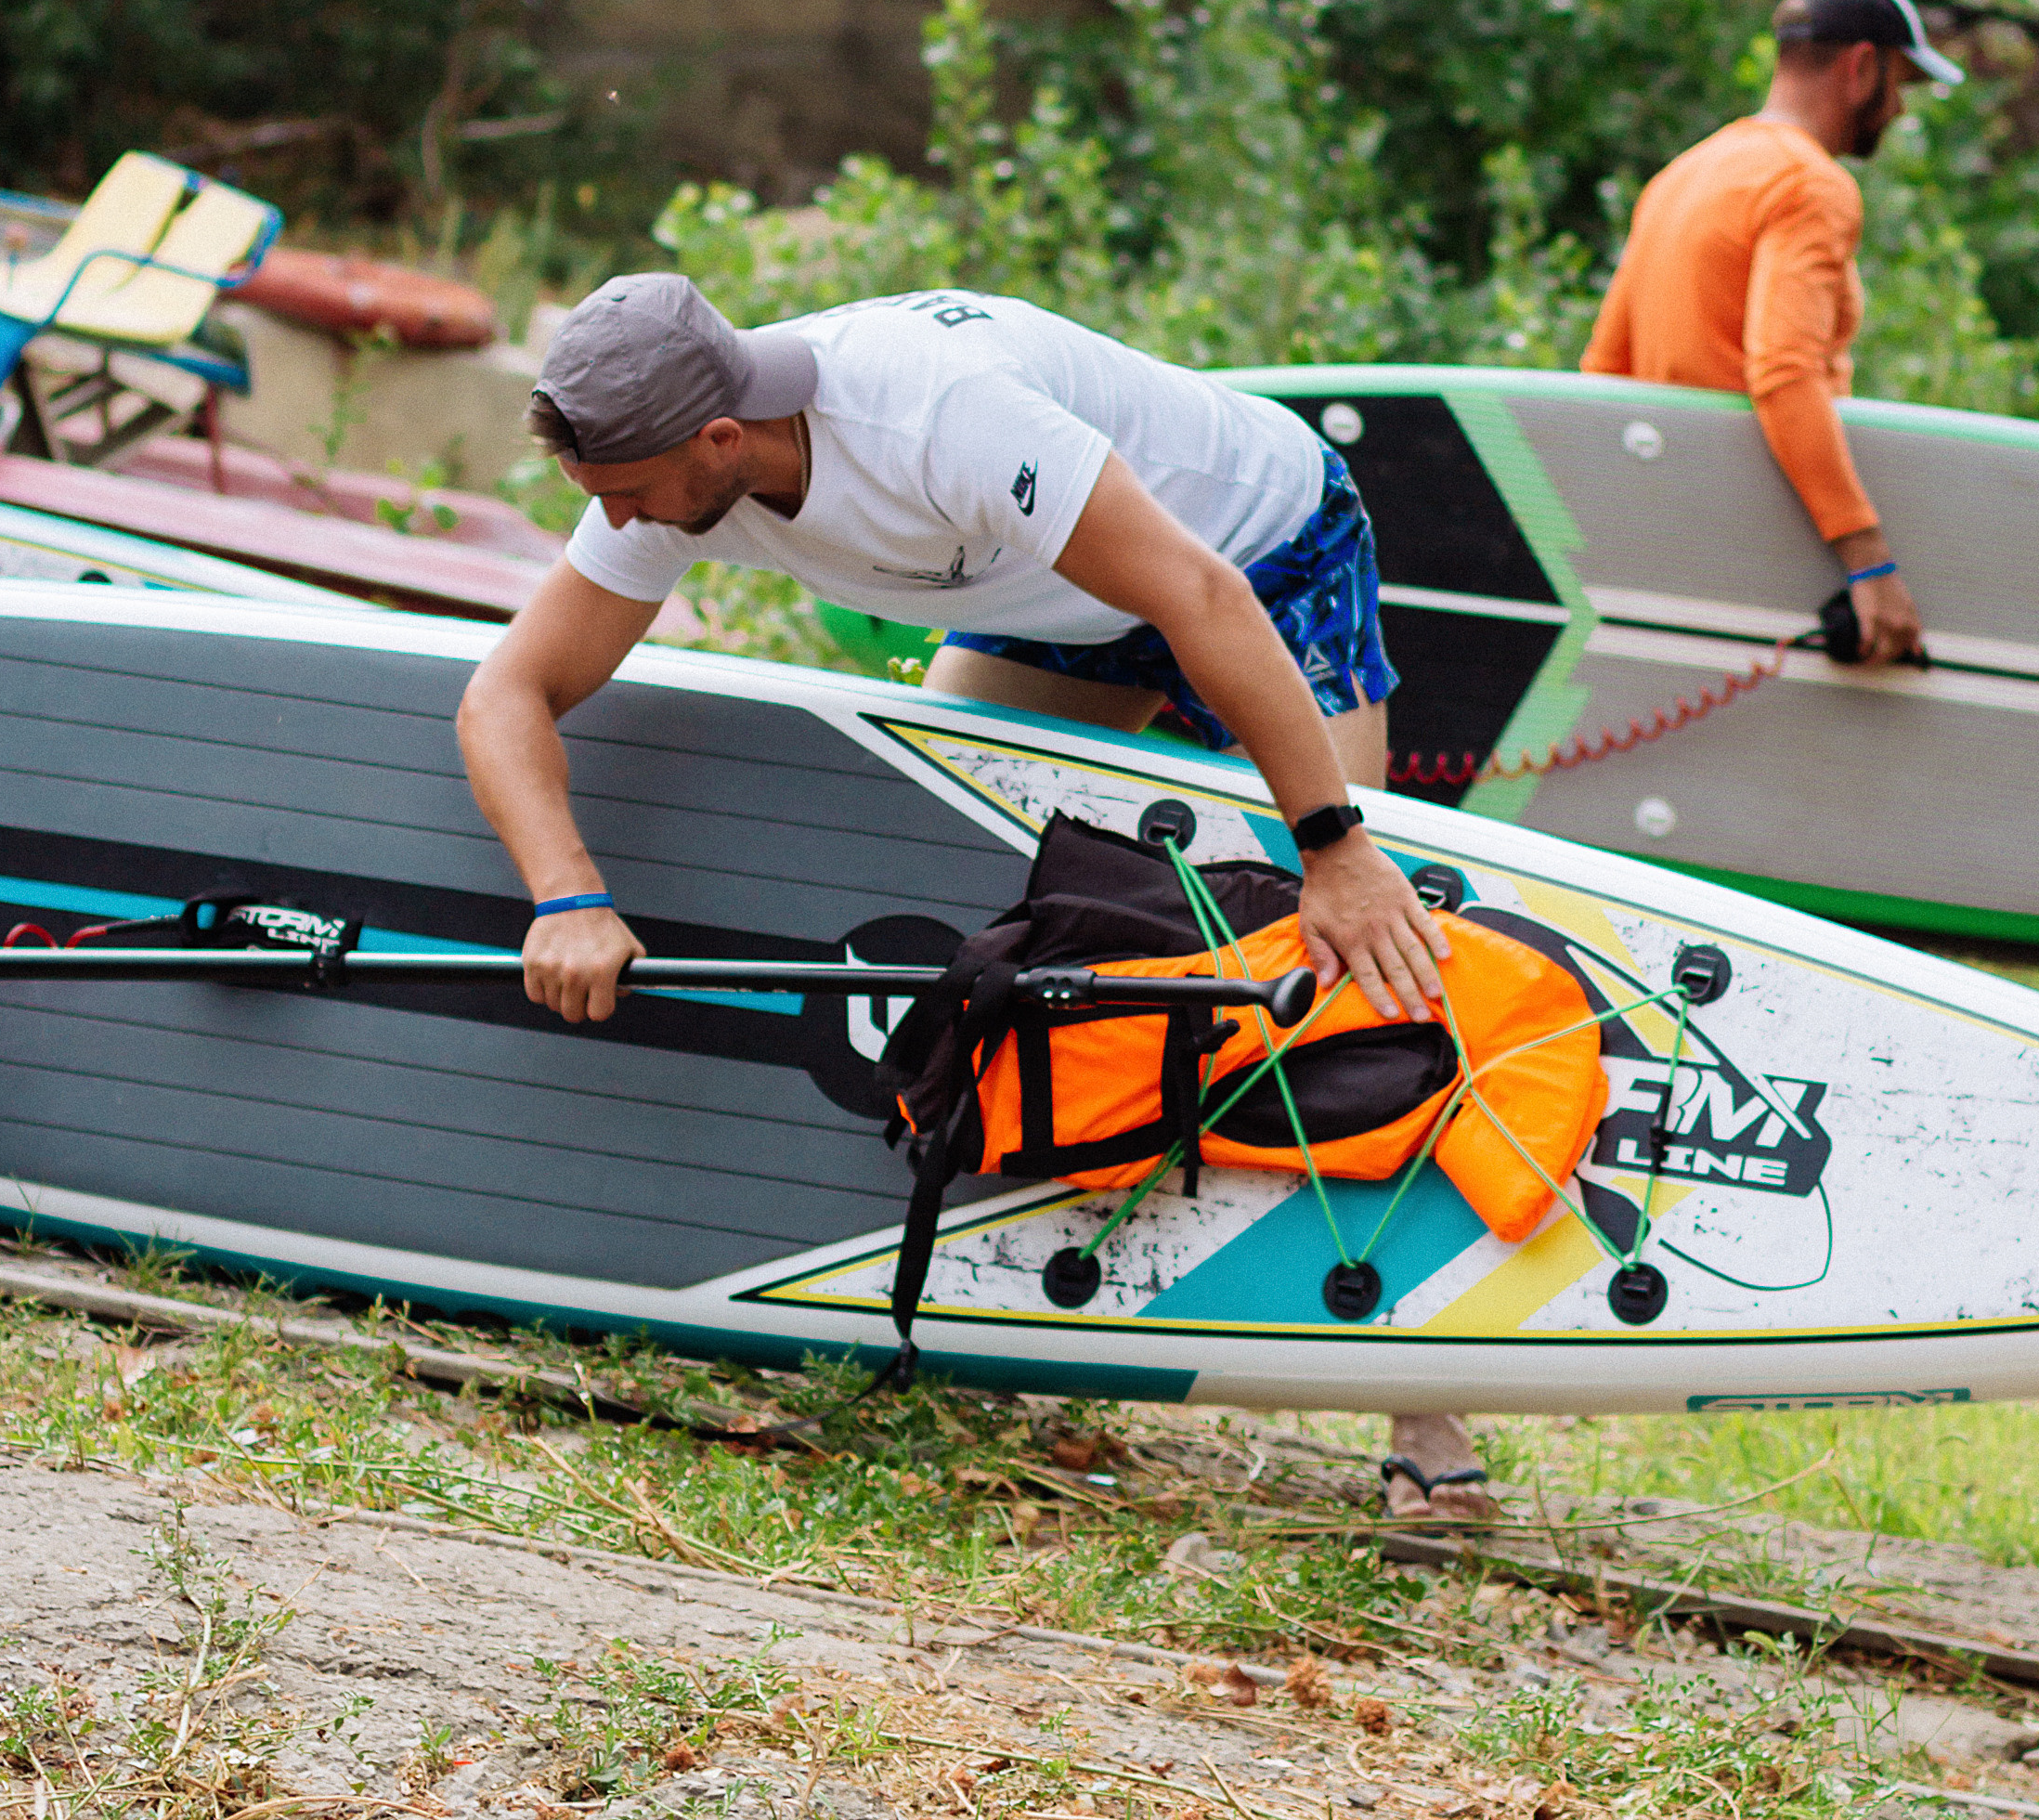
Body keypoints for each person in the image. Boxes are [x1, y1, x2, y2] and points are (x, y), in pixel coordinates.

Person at [456, 274, 1485, 1519]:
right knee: (942, 916)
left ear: (723, 436)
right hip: (1049, 598)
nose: (614, 520)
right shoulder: (668, 469)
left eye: (624, 490)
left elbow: (1196, 593)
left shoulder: (933, 416)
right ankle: (953, 1286)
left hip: (1258, 551)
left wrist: (1333, 843)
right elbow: (504, 695)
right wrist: (565, 894)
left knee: (1336, 966)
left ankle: (1432, 1410)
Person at [1581, 0, 1964, 662]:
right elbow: (1785, 371)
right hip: (1769, 534)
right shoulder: (1812, 185)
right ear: (1861, 66)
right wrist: (1870, 563)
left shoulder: (1684, 175)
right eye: (1901, 87)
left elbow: (1604, 369)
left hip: (1675, 521)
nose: (1900, 111)